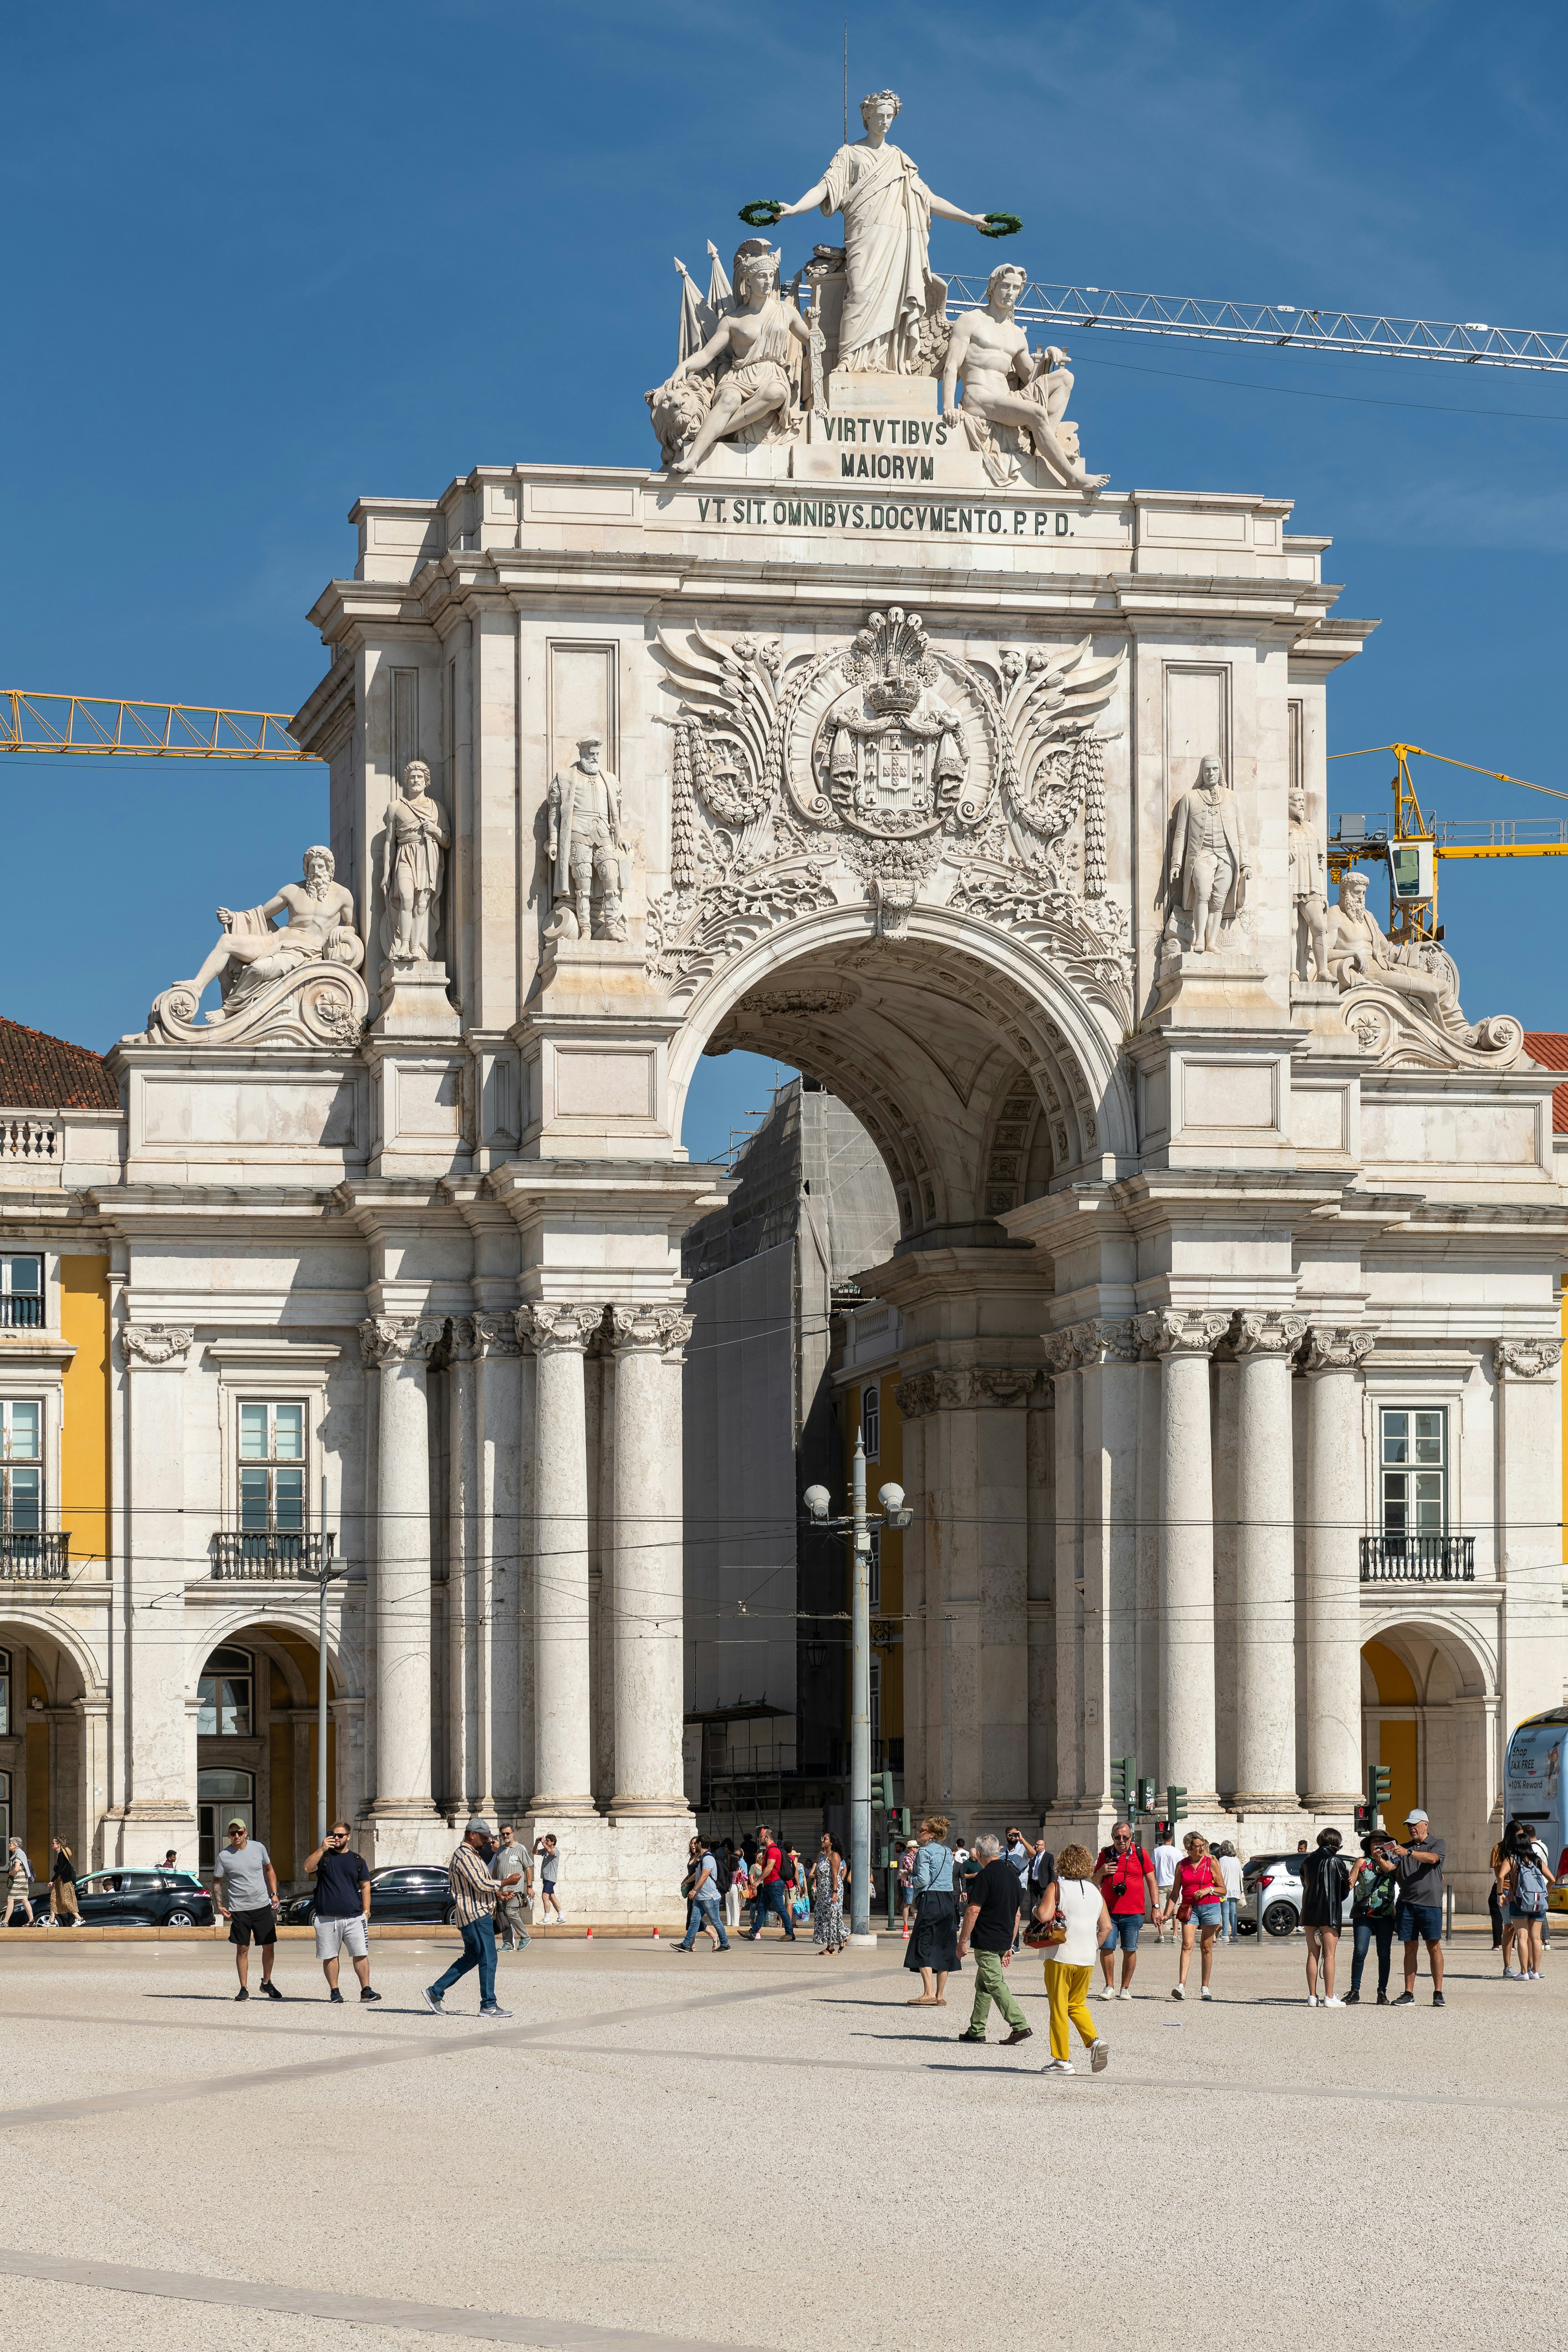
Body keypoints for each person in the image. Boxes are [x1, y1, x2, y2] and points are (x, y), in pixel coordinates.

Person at [1033, 1843, 1111, 2076]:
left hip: (1061, 1955)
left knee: (1058, 2007)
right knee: (1077, 2004)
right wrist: (1091, 1946)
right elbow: (1106, 1927)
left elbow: (1045, 1915)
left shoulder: (1057, 1887)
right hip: (1086, 1957)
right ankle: (1093, 2040)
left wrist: (1037, 1908)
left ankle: (1061, 2060)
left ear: (1063, 1863)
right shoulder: (1095, 1891)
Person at [423, 1819, 511, 2019]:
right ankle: (488, 2005)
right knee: (489, 1958)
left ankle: (435, 1992)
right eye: (484, 1837)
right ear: (472, 1835)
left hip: (475, 1913)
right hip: (475, 1914)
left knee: (471, 1958)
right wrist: (506, 1882)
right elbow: (481, 1884)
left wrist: (498, 1894)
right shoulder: (464, 1856)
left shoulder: (472, 1855)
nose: (488, 1841)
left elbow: (478, 1885)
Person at [955, 1835, 1031, 2046]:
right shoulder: (1013, 1876)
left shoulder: (984, 1876)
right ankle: (976, 2029)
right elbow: (1017, 1914)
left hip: (986, 1941)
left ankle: (1019, 2024)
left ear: (979, 1854)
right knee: (983, 1985)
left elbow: (973, 1910)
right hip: (1003, 1940)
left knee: (995, 1984)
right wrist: (1010, 1944)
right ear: (997, 1850)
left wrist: (962, 1942)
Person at [304, 1821, 379, 2004]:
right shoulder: (324, 1857)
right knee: (330, 1955)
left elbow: (365, 1886)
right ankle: (335, 1991)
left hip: (354, 1917)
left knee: (361, 1953)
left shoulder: (357, 1860)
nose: (336, 1838)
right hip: (327, 1917)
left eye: (340, 1835)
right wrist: (321, 1849)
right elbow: (307, 1867)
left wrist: (366, 1911)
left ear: (348, 1837)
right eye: (333, 1835)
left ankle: (366, 1990)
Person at [212, 1819, 282, 2001]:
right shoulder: (224, 1856)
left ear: (246, 1833)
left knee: (268, 1945)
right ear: (228, 1835)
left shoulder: (258, 1848)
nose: (236, 1836)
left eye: (239, 1832)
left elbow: (269, 1870)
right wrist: (219, 1904)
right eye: (232, 1833)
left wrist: (274, 1894)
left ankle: (267, 1982)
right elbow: (217, 1882)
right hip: (239, 1909)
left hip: (261, 1906)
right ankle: (244, 1988)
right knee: (242, 1947)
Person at [1391, 1808, 1445, 2007]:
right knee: (1410, 1948)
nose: (1412, 1828)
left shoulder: (1437, 1844)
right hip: (1406, 1904)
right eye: (1409, 1825)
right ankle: (1408, 1993)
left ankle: (1438, 1992)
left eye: (1415, 1824)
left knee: (1434, 1947)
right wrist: (1379, 1856)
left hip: (1430, 1904)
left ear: (1426, 1825)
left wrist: (1410, 1853)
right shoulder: (1402, 1849)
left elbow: (1432, 1859)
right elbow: (1390, 1868)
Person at [1093, 1821, 1154, 1998]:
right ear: (1113, 1837)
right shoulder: (1105, 1855)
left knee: (1129, 1949)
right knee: (1107, 1947)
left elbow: (1152, 1881)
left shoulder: (1141, 1854)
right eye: (1117, 1837)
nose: (1122, 1840)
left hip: (1133, 1911)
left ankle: (1125, 1987)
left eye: (1125, 1837)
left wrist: (1156, 1907)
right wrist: (1101, 1872)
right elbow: (1094, 1881)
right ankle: (1109, 1986)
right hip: (1109, 1912)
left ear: (1131, 1837)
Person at [904, 1814, 958, 2007]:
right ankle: (940, 1995)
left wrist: (909, 1878)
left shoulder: (924, 1853)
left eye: (922, 1830)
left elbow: (923, 1880)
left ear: (932, 1834)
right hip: (948, 1900)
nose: (919, 1833)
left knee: (923, 1942)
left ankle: (928, 1993)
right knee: (944, 1945)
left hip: (931, 1900)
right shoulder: (946, 1852)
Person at [1299, 1826, 1353, 2006]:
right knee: (1329, 1955)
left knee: (1312, 1954)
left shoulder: (1307, 1861)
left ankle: (1312, 1996)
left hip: (1310, 1911)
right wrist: (1350, 1883)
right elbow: (1343, 1890)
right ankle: (1329, 1996)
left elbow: (1304, 1883)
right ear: (1336, 1843)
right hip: (1329, 1912)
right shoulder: (1336, 1862)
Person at [1170, 1832, 1225, 2001]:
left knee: (1206, 1947)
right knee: (1187, 1945)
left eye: (1203, 1845)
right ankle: (1181, 1986)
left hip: (1210, 1906)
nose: (1202, 1848)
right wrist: (1165, 1913)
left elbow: (1223, 1889)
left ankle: (1205, 1987)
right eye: (1198, 1846)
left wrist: (1208, 1889)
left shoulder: (1212, 1862)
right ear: (1189, 1848)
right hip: (1189, 1908)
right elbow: (1174, 1893)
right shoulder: (1182, 1865)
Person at [1346, 1834, 1401, 2004]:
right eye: (1375, 1842)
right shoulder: (1361, 1862)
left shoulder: (1394, 1860)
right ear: (1369, 1846)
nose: (1378, 1844)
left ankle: (1382, 1992)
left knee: (1384, 1954)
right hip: (1364, 1913)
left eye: (1382, 1842)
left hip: (1385, 1914)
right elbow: (1350, 1882)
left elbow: (1388, 1869)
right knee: (1360, 1952)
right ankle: (1355, 1991)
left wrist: (1379, 1859)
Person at [1504, 1819, 1550, 1980]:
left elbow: (1501, 1876)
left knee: (1522, 1937)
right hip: (1538, 1901)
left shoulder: (1512, 1859)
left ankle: (1523, 1972)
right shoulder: (1537, 1860)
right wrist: (1545, 1894)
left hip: (1519, 1901)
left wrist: (1500, 1894)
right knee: (1536, 1938)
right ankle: (1535, 1971)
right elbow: (1552, 1878)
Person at [675, 1835, 730, 1952]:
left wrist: (694, 1890)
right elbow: (698, 1874)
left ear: (700, 1844)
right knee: (694, 1921)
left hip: (709, 1896)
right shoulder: (702, 1858)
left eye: (697, 1843)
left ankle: (725, 1944)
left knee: (716, 1921)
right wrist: (688, 1883)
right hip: (700, 1897)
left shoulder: (708, 1858)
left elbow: (705, 1875)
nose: (695, 1845)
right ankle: (687, 1944)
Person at [745, 1824, 796, 1941]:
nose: (759, 1839)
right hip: (769, 1884)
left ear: (767, 1838)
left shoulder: (773, 1850)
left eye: (761, 1837)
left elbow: (769, 1867)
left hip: (775, 1883)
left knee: (780, 1908)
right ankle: (753, 1932)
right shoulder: (769, 1849)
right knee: (762, 1908)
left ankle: (790, 1933)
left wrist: (758, 1881)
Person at [491, 1824, 531, 1953]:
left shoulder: (521, 1849)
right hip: (503, 1890)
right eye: (503, 1834)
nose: (505, 1836)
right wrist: (494, 1885)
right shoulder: (500, 1850)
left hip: (516, 1890)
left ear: (513, 1834)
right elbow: (496, 1869)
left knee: (511, 1912)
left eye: (508, 1833)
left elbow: (528, 1867)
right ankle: (508, 1943)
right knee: (504, 1917)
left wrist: (529, 1886)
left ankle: (525, 1936)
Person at [812, 1831, 842, 1958]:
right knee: (823, 1918)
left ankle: (842, 1938)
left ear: (832, 1842)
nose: (822, 1840)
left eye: (825, 1838)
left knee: (832, 1918)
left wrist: (834, 1892)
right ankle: (830, 1947)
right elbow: (818, 1874)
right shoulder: (823, 1856)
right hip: (822, 1891)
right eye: (822, 1838)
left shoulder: (834, 1856)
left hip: (832, 1890)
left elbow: (835, 1875)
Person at [1150, 1830, 1178, 1942]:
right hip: (1174, 1883)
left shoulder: (1157, 1851)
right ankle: (1175, 1935)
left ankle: (1161, 1935)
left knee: (1160, 1909)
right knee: (1175, 1910)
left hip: (1160, 1883)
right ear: (1172, 1839)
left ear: (1162, 1839)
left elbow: (1153, 1868)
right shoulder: (1177, 1852)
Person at [1217, 1840, 1244, 1944]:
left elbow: (1221, 1875)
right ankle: (1234, 1934)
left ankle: (1224, 1935)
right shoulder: (1236, 1860)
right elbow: (1241, 1874)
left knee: (1225, 1913)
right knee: (1233, 1913)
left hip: (1225, 1890)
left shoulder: (1222, 1860)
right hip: (1235, 1889)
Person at [533, 1834, 563, 1924]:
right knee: (552, 1898)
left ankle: (547, 1919)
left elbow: (551, 1852)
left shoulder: (555, 1851)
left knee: (545, 1896)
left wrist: (543, 1843)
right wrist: (536, 1843)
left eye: (548, 1841)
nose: (546, 1842)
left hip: (551, 1878)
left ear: (553, 1842)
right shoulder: (546, 1850)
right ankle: (562, 1916)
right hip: (546, 1878)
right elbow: (535, 1852)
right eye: (545, 1840)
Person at [4, 1839, 33, 1928]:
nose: (9, 1845)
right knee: (24, 1900)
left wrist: (10, 1873)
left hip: (19, 1881)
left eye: (11, 1843)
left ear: (16, 1845)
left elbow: (16, 1869)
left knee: (10, 1900)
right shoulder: (18, 1854)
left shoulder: (19, 1854)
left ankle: (5, 1922)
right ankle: (32, 1921)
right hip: (23, 1880)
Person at [720, 1839, 744, 1933]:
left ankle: (729, 1923)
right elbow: (745, 1878)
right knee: (736, 1906)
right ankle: (736, 1923)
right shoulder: (739, 1870)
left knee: (728, 1905)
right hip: (736, 1887)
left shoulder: (728, 1869)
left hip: (729, 1887)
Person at [898, 1839, 917, 1933]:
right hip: (908, 1884)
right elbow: (912, 1870)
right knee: (908, 1904)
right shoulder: (907, 1858)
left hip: (916, 1884)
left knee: (915, 1905)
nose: (917, 1849)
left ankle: (917, 1923)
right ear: (912, 1848)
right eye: (916, 1847)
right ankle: (905, 1924)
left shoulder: (916, 1858)